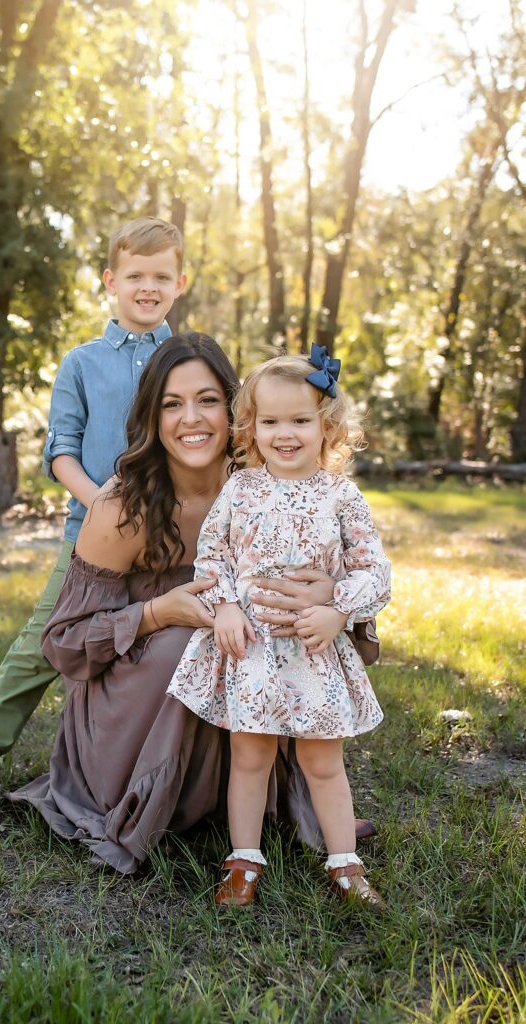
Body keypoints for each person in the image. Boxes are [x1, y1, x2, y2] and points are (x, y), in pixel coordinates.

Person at [9, 335, 373, 874]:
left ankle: (256, 802)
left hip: (254, 672)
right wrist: (159, 612)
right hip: (131, 709)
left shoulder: (265, 487)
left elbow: (358, 578)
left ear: (236, 411)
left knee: (266, 637)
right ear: (152, 417)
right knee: (192, 642)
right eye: (171, 404)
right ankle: (165, 798)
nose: (191, 419)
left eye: (207, 400)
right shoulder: (121, 507)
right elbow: (63, 646)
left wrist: (326, 592)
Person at [0, 216, 187, 822]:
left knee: (169, 651)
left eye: (161, 276)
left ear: (180, 282)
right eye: (136, 275)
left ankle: (162, 780)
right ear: (110, 280)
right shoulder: (82, 362)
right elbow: (60, 450)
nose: (148, 287)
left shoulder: (185, 359)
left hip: (173, 541)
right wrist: (102, 507)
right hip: (91, 541)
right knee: (41, 647)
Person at [167, 348, 391, 906]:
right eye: (270, 421)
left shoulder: (340, 495)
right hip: (254, 651)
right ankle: (244, 860)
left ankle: (345, 864)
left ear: (327, 426)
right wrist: (224, 608)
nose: (284, 434)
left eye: (299, 420)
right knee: (250, 757)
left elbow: (375, 571)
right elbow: (212, 558)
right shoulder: (240, 489)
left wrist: (339, 607)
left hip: (314, 648)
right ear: (251, 427)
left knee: (321, 759)